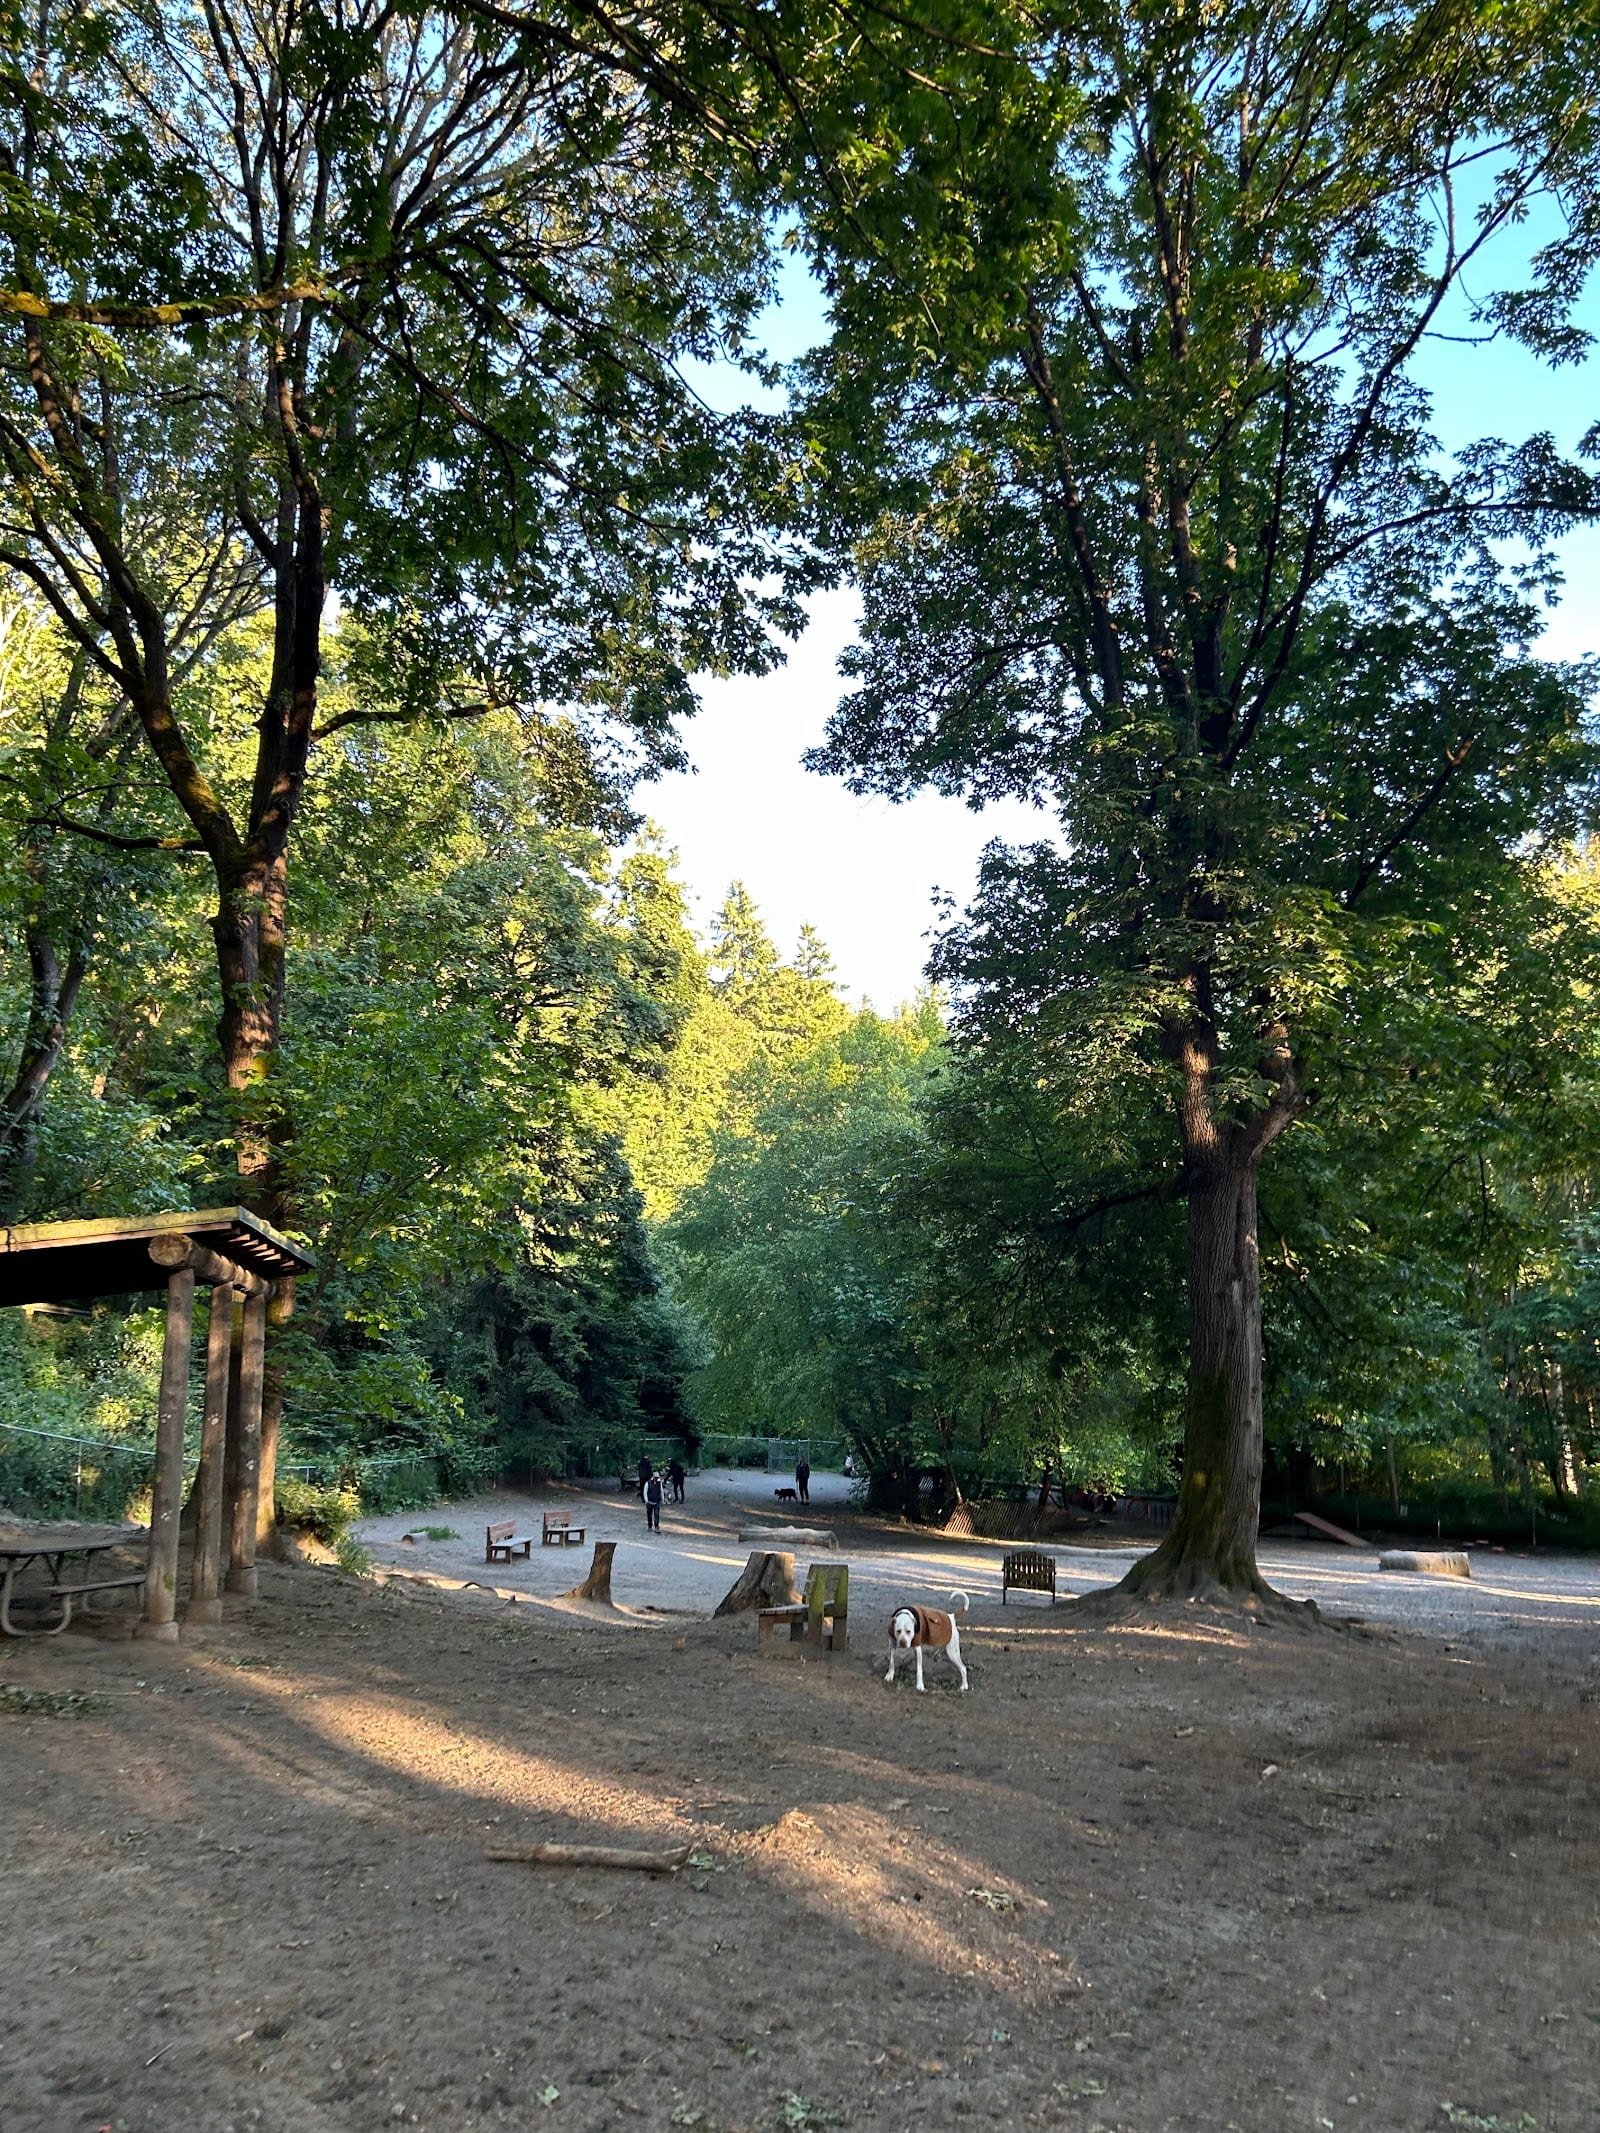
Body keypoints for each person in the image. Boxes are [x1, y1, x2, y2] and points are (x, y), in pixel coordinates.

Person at [643, 1467, 664, 1532]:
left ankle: (657, 1527)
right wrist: (646, 1501)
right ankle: (650, 1526)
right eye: (656, 1477)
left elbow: (661, 1491)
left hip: (657, 1501)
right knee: (649, 1515)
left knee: (656, 1515)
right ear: (653, 1477)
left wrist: (662, 1499)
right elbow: (645, 1492)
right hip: (649, 1502)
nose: (657, 1478)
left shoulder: (659, 1483)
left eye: (658, 1477)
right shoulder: (648, 1483)